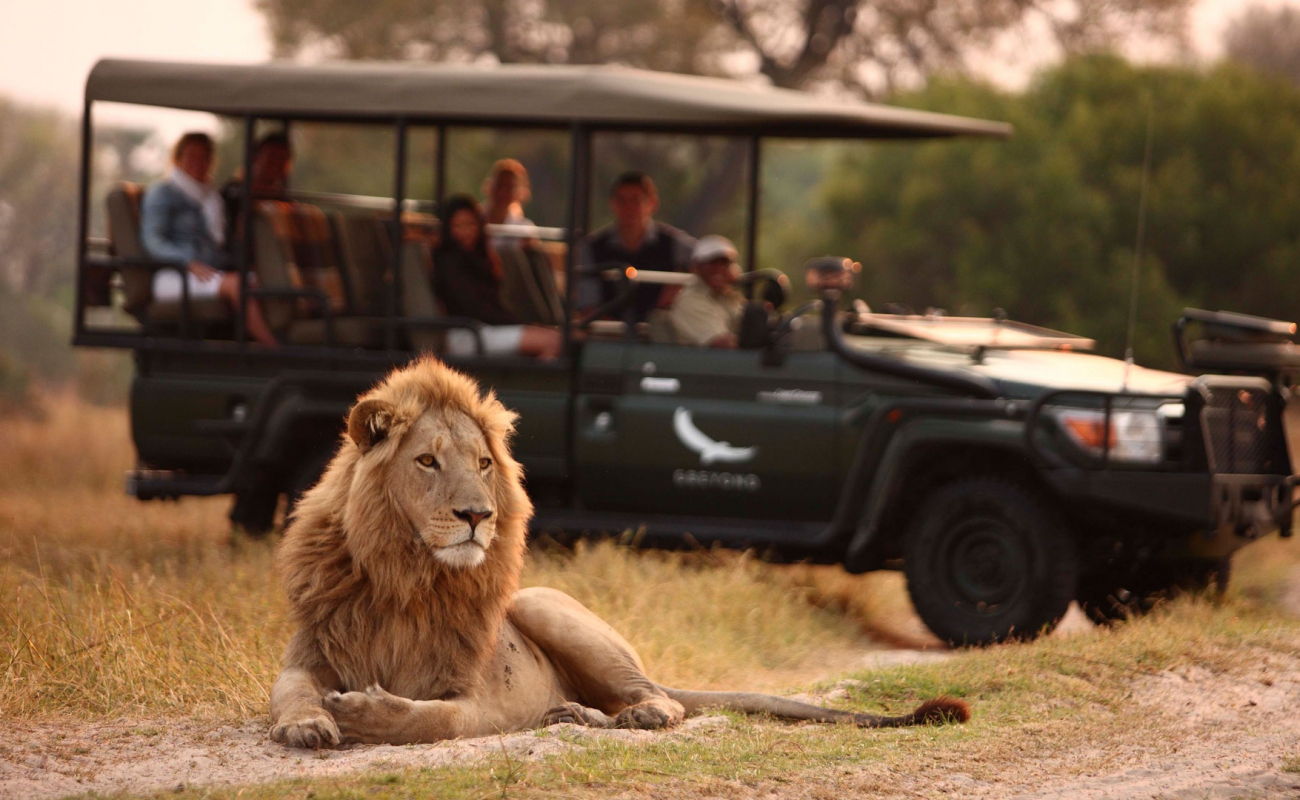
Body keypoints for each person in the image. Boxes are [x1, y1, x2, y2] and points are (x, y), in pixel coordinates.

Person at [139, 132, 278, 346]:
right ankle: (274, 348)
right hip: (174, 274)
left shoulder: (211, 198)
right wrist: (186, 261)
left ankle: (271, 338)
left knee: (261, 280)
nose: (198, 163)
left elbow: (222, 245)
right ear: (177, 159)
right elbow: (153, 241)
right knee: (238, 285)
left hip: (209, 271)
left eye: (204, 157)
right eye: (191, 156)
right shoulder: (163, 193)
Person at [433, 194, 562, 359]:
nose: (465, 232)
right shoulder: (449, 262)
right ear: (448, 229)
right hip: (467, 332)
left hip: (487, 328)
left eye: (471, 224)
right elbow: (474, 308)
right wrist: (519, 325)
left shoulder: (480, 258)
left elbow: (492, 305)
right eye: (458, 225)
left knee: (558, 336)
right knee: (554, 342)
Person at [578, 171, 696, 323]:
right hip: (606, 337)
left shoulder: (673, 243)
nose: (629, 207)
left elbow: (706, 260)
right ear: (612, 204)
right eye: (622, 200)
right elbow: (588, 305)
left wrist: (678, 283)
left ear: (652, 203)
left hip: (661, 337)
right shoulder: (592, 248)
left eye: (636, 200)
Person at [669, 235, 746, 348]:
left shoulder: (730, 297)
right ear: (695, 267)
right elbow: (721, 344)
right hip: (699, 363)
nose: (719, 269)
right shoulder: (690, 301)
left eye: (724, 263)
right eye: (712, 263)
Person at [221, 131, 293, 244]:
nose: (276, 163)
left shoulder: (285, 202)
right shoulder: (234, 193)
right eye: (272, 156)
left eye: (282, 158)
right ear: (256, 157)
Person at [481, 158, 534, 250]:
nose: (502, 192)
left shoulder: (524, 229)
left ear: (518, 193)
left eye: (509, 187)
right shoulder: (475, 219)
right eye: (499, 185)